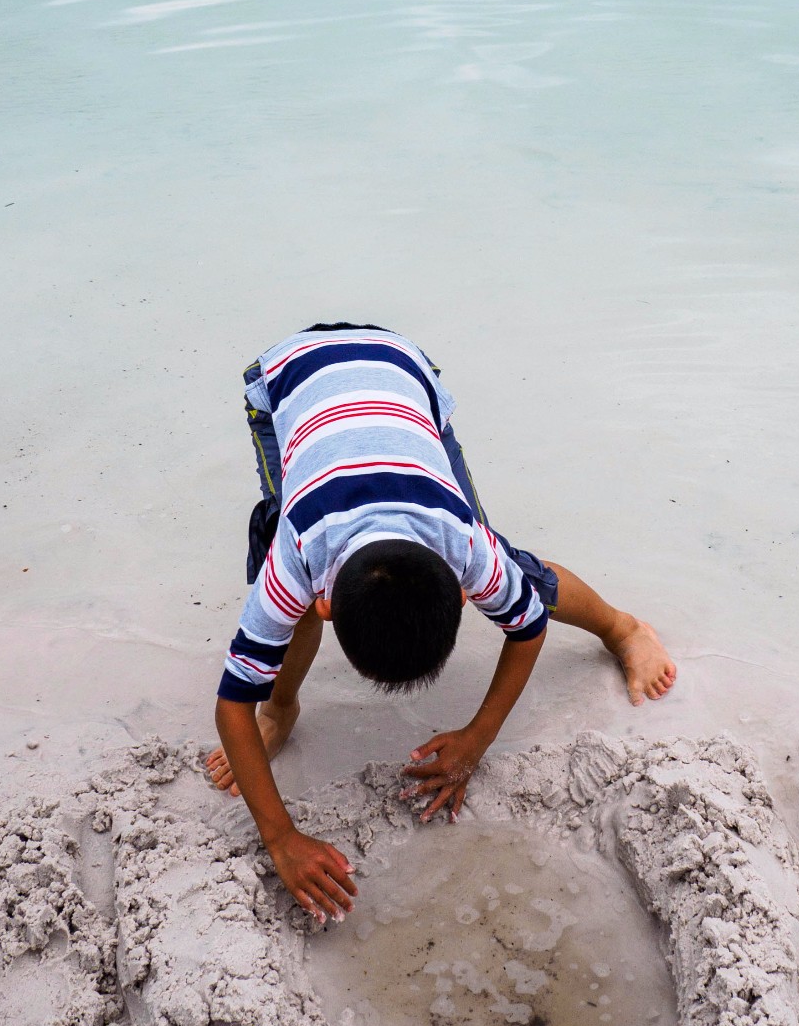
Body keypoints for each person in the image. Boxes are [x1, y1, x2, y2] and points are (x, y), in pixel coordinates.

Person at [205, 323, 676, 921]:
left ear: (460, 593)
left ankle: (622, 629)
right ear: (323, 603)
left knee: (524, 575)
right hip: (287, 381)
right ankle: (284, 708)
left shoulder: (464, 542)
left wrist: (477, 740)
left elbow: (527, 626)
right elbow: (230, 707)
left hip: (405, 374)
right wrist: (281, 839)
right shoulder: (296, 556)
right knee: (281, 618)